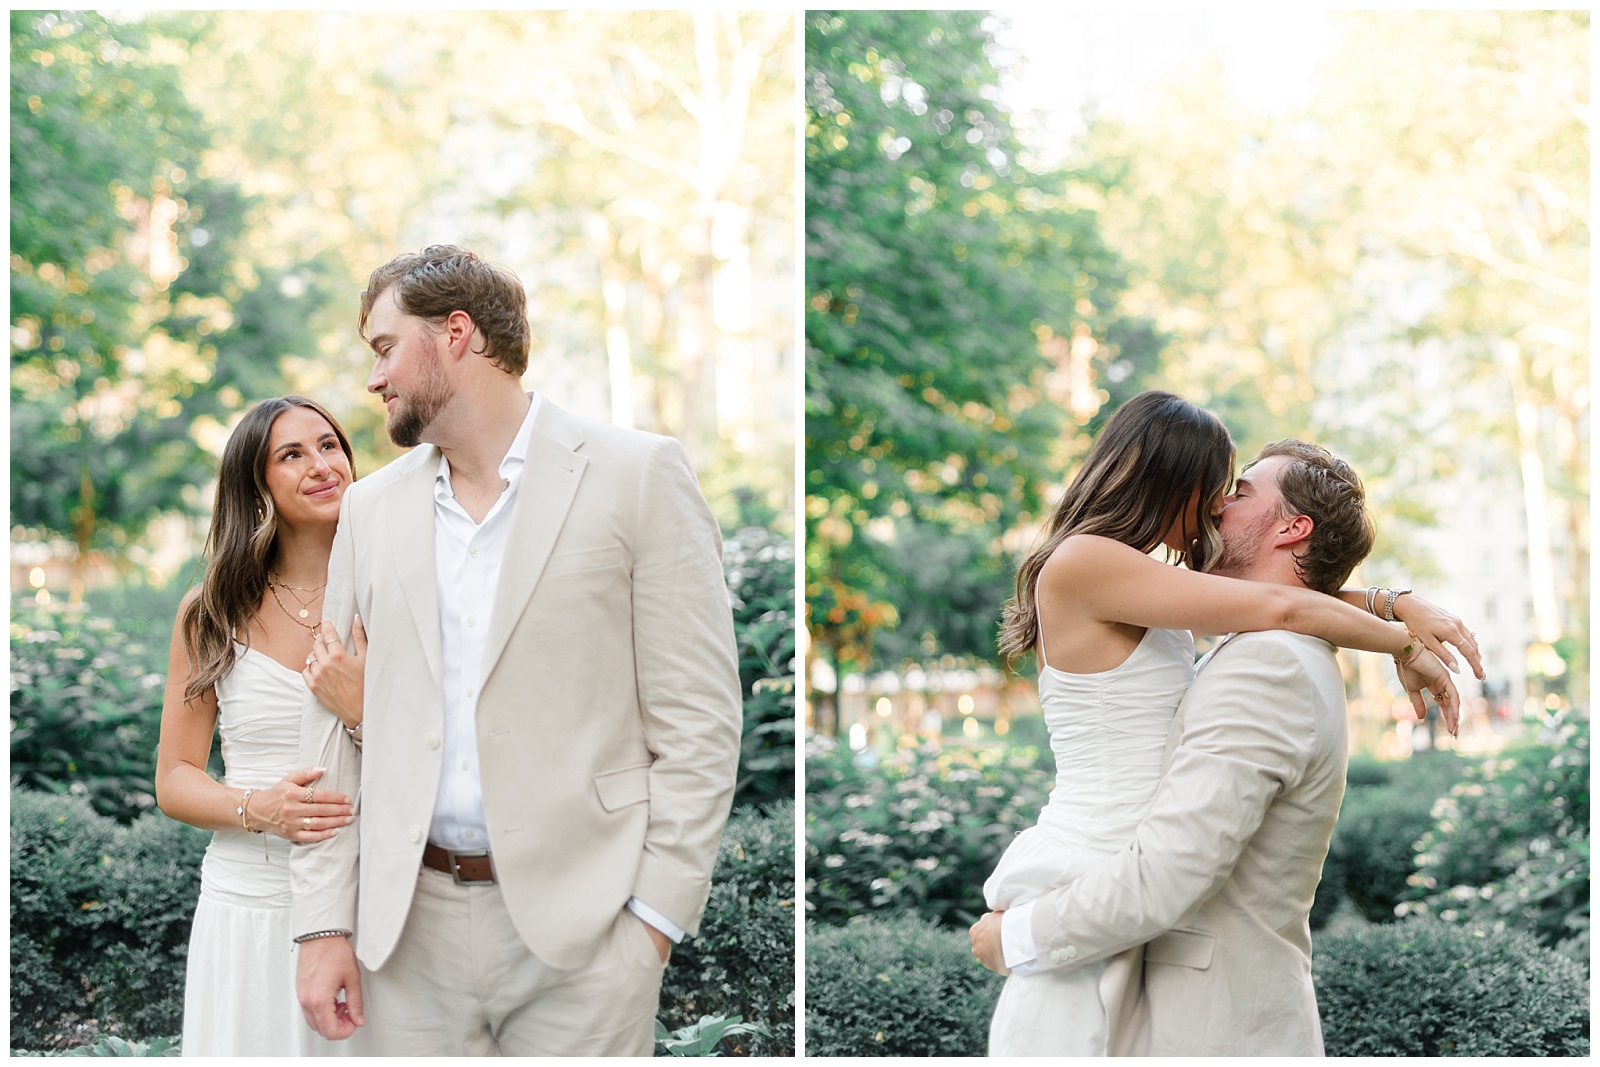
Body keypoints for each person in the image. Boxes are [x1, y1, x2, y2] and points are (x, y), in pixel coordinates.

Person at [290, 244, 744, 1056]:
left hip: (587, 936)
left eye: (386, 347)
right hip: (405, 936)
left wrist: (652, 925)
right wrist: (324, 924)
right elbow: (329, 734)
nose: (373, 378)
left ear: (456, 333)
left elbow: (700, 720)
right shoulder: (369, 509)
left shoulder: (639, 475)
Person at [966, 394, 1481, 1056]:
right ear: (1172, 474)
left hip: (1126, 884)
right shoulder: (1086, 562)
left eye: (1235, 490)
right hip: (1092, 862)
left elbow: (1278, 602)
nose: (1217, 503)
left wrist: (1392, 602)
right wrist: (1401, 639)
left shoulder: (1168, 600)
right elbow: (1279, 603)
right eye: (1219, 482)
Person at [155, 396, 374, 1057]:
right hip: (246, 907)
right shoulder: (211, 612)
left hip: (368, 905)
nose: (321, 464)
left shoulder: (393, 591)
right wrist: (259, 807)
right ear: (256, 485)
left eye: (330, 444)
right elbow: (174, 779)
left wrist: (366, 712)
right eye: (292, 454)